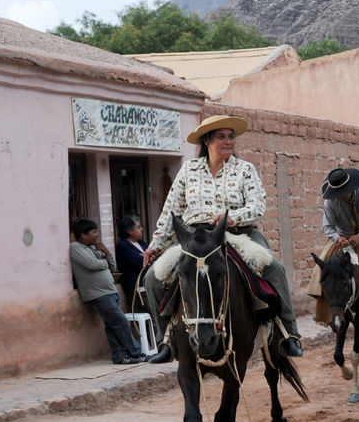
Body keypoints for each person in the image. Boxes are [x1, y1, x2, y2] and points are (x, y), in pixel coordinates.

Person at [141, 114, 303, 363]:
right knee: (152, 278)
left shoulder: (245, 169)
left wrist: (232, 218)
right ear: (207, 141)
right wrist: (155, 246)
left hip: (236, 234)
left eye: (231, 137)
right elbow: (170, 211)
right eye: (222, 137)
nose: (229, 141)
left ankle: (289, 333)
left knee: (275, 268)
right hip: (194, 238)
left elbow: (258, 205)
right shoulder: (189, 170)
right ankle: (164, 340)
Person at [69, 219, 146, 364]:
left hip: (110, 292)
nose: (97, 235)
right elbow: (92, 264)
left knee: (112, 326)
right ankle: (136, 353)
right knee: (121, 322)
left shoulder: (93, 248)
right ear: (83, 235)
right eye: (93, 232)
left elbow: (113, 266)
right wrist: (103, 262)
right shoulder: (75, 247)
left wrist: (106, 252)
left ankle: (120, 356)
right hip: (99, 294)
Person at [308, 166, 359, 308]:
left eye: (343, 192)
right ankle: (326, 304)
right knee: (323, 263)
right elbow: (327, 226)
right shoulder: (330, 201)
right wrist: (337, 238)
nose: (341, 195)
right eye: (338, 193)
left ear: (351, 187)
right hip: (342, 236)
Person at [114, 214, 148, 313]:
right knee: (149, 313)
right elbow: (142, 263)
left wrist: (147, 258)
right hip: (136, 286)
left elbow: (155, 257)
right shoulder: (123, 246)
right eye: (138, 227)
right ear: (129, 231)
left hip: (148, 284)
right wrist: (148, 258)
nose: (141, 229)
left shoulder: (142, 243)